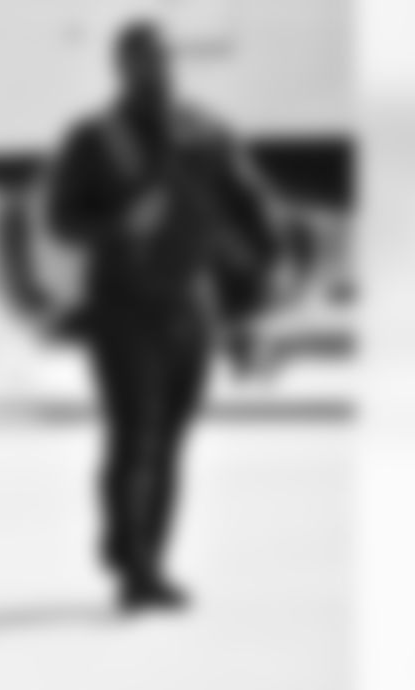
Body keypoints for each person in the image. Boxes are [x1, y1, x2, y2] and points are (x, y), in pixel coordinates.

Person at [47, 20, 290, 614]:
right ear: (119, 68)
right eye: (138, 61)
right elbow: (62, 220)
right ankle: (137, 569)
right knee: (135, 436)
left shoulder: (205, 131)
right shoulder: (92, 139)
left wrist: (268, 266)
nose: (151, 70)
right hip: (120, 308)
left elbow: (251, 202)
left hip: (190, 306)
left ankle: (142, 552)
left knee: (171, 443)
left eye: (158, 59)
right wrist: (118, 223)